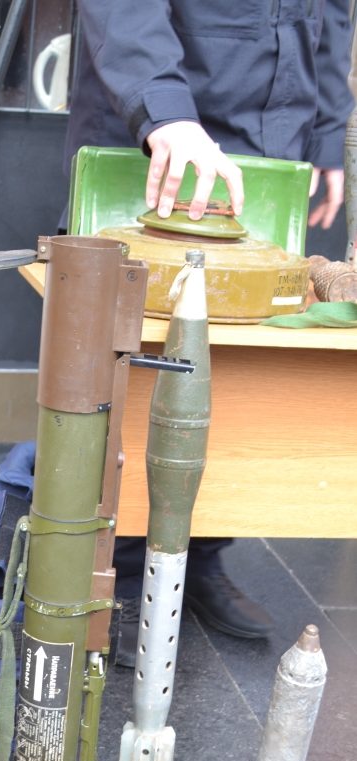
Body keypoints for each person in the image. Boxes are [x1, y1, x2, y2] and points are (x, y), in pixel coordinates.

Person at [63, 0, 354, 665]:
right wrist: (162, 109)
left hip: (270, 137)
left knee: (243, 361)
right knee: (133, 360)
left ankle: (197, 552)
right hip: (160, 128)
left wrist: (323, 129)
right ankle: (118, 571)